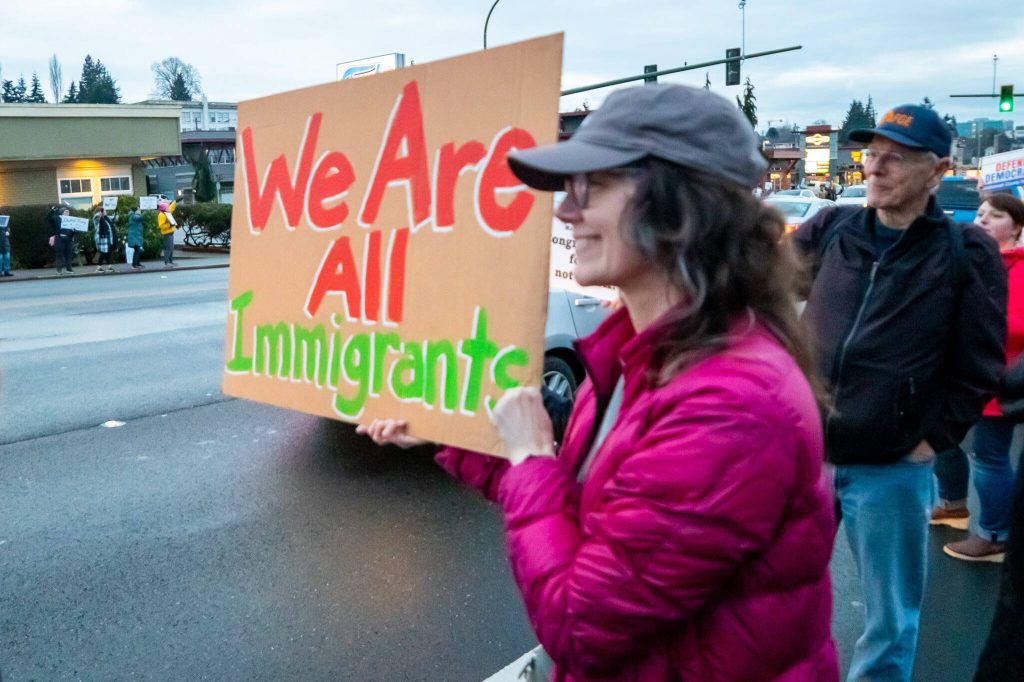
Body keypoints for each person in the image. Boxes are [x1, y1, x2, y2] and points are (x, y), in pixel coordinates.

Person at [360, 84, 839, 681]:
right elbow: (589, 510)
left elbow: (582, 628)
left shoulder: (730, 404)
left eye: (594, 185)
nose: (564, 210)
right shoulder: (647, 357)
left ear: (680, 206)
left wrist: (533, 455)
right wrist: (446, 433)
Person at [793, 105, 1008, 681]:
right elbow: (759, 289)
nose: (876, 165)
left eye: (897, 156)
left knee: (889, 620)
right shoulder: (832, 228)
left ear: (938, 170)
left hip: (890, 468)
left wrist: (931, 440)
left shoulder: (965, 250)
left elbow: (981, 362)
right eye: (872, 153)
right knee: (784, 601)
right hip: (806, 457)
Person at [932, 194, 1024, 563]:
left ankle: (995, 536)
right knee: (944, 441)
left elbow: (1017, 326)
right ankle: (954, 506)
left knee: (989, 458)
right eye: (981, 213)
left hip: (997, 379)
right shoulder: (970, 260)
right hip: (958, 376)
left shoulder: (1017, 268)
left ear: (1016, 227)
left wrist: (969, 318)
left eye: (996, 215)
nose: (983, 219)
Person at [48, 205, 76, 275]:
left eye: (68, 212)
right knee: (59, 255)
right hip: (60, 238)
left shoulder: (70, 221)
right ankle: (59, 270)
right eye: (65, 212)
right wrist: (52, 211)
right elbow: (49, 218)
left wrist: (73, 231)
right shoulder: (57, 219)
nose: (67, 213)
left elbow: (73, 231)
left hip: (68, 239)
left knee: (68, 255)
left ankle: (69, 269)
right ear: (61, 213)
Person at [92, 207, 116, 273]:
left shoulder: (104, 217)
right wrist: (102, 216)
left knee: (108, 252)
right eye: (104, 210)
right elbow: (99, 224)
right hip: (102, 238)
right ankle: (98, 268)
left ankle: (109, 267)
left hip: (107, 237)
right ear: (100, 211)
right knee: (103, 252)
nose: (105, 211)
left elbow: (111, 222)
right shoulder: (97, 217)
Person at [158, 200, 177, 267]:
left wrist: (175, 201)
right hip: (167, 233)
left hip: (170, 232)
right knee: (168, 248)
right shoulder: (162, 215)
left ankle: (170, 261)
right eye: (167, 207)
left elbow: (172, 207)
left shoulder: (166, 212)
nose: (168, 208)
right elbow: (161, 226)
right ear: (164, 208)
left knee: (171, 247)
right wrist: (170, 225)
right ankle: (167, 262)